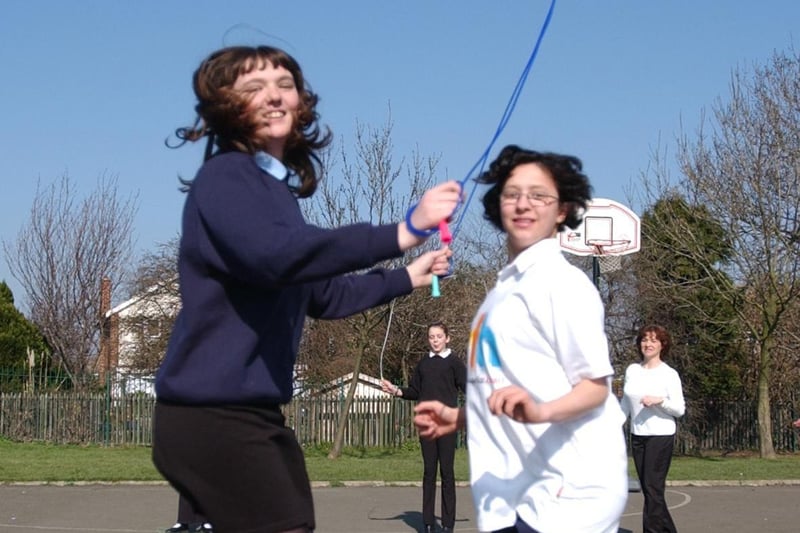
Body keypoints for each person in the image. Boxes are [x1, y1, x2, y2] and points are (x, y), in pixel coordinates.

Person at [151, 45, 461, 533]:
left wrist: (406, 275)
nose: (273, 96)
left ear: (301, 104)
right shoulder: (226, 178)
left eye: (284, 85)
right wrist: (400, 232)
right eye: (254, 88)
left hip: (252, 414)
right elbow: (279, 255)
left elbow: (323, 295)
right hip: (208, 414)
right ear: (228, 109)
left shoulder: (276, 196)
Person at [413, 145, 628, 533]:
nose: (524, 204)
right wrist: (459, 418)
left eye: (539, 195)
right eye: (512, 194)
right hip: (513, 495)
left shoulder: (561, 283)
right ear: (498, 207)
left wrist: (541, 411)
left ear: (562, 210)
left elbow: (596, 388)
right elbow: (505, 389)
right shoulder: (502, 292)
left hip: (566, 497)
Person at [382, 321, 467, 533]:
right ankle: (427, 523)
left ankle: (448, 524)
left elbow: (469, 389)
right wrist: (396, 391)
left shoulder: (455, 363)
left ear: (447, 338)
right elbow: (414, 391)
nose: (435, 340)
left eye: (439, 336)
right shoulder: (423, 364)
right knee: (429, 471)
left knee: (447, 472)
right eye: (431, 337)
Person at [621, 325, 686, 533]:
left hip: (660, 435)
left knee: (653, 489)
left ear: (662, 345)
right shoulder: (632, 370)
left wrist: (660, 401)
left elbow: (679, 409)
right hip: (638, 435)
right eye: (644, 340)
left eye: (653, 340)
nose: (648, 344)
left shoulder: (669, 374)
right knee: (651, 492)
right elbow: (625, 405)